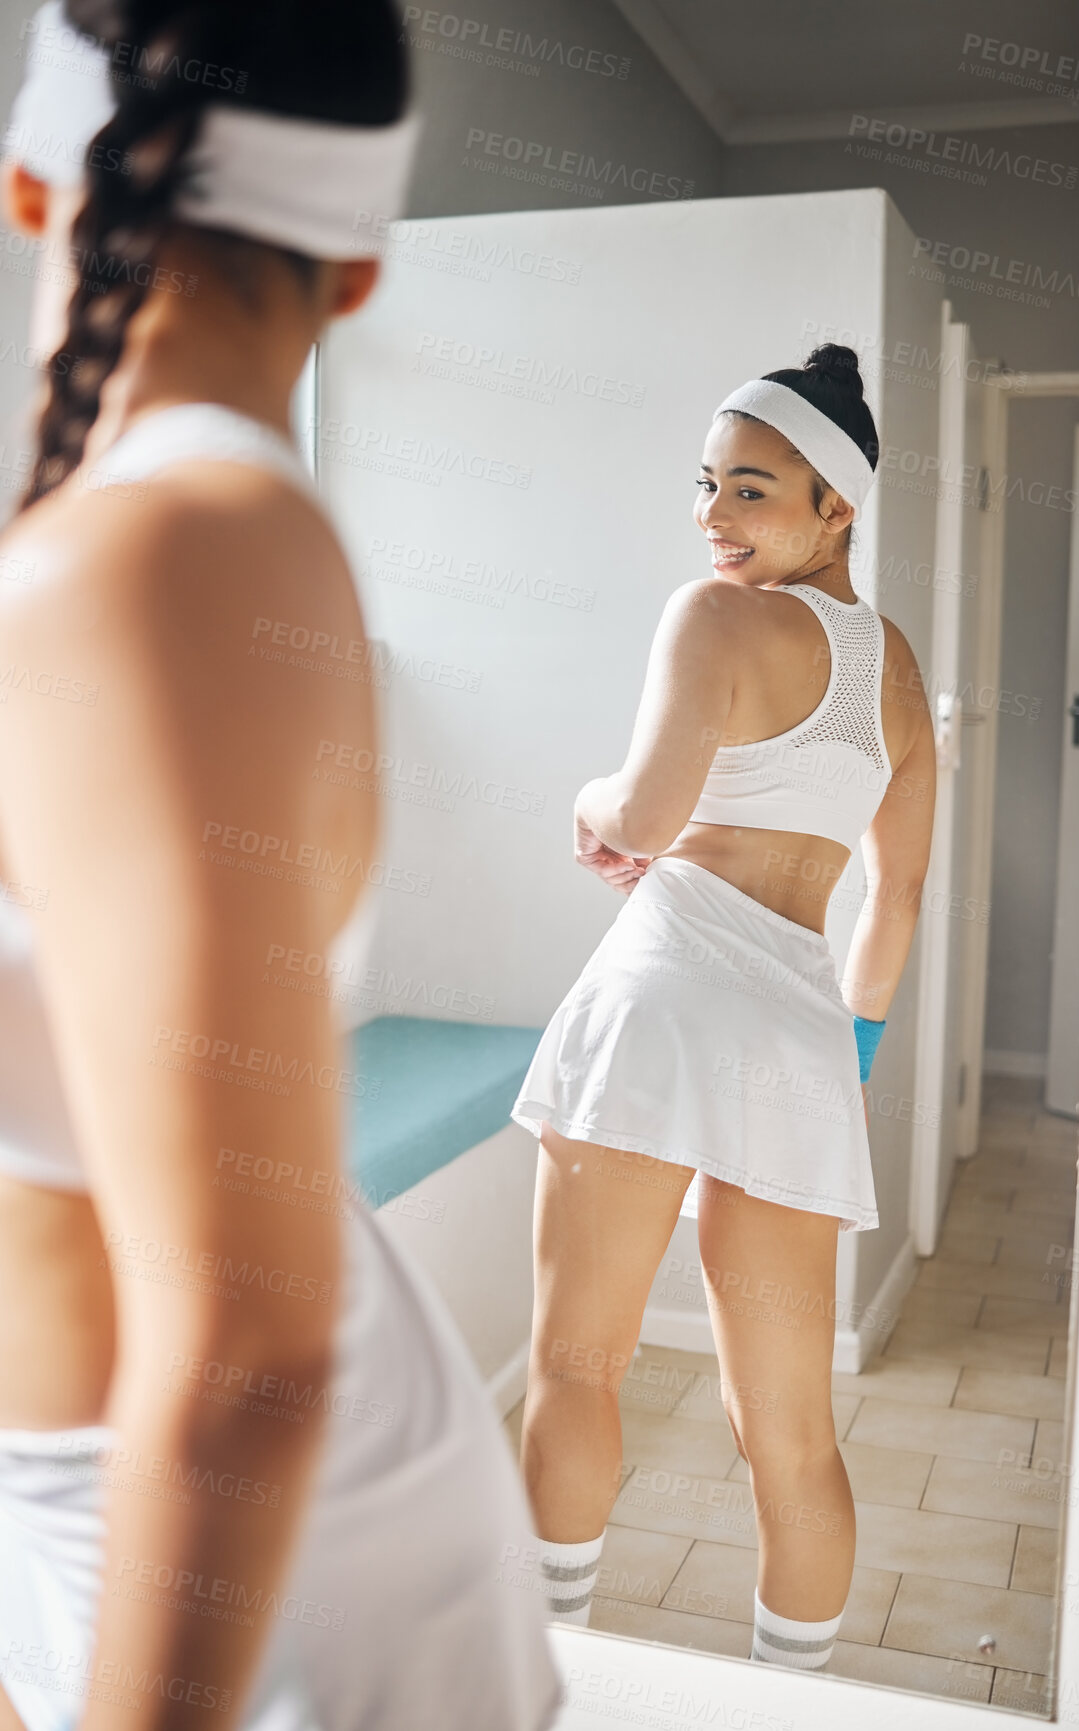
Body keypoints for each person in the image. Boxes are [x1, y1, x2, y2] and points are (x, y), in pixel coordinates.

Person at [0, 4, 562, 1727]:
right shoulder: (216, 537)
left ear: (34, 190)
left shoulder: (160, 560)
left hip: (239, 1598)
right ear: (360, 271)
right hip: (111, 1524)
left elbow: (246, 1351)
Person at [510, 346, 936, 1669]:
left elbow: (639, 817)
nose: (713, 520)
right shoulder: (901, 673)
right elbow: (898, 897)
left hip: (664, 985)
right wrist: (840, 1056)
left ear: (836, 508)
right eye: (706, 487)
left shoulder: (708, 619)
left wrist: (587, 806)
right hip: (799, 1020)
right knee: (792, 1432)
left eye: (751, 491)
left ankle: (548, 1672)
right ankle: (795, 1699)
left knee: (578, 1369)